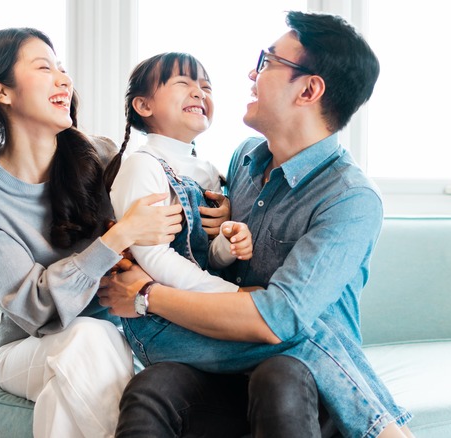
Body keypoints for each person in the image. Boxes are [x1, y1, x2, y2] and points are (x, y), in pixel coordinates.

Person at [99, 11, 414, 438]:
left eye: (267, 62)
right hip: (222, 360)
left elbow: (278, 320)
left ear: (309, 89)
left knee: (281, 374)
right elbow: (206, 251)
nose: (252, 73)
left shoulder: (351, 200)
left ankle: (380, 428)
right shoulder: (243, 160)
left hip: (301, 380)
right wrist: (225, 228)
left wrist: (146, 295)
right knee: (152, 387)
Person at [0, 27, 183, 438]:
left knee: (67, 391)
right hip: (25, 349)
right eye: (45, 68)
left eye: (62, 68)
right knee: (90, 338)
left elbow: (171, 187)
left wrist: (217, 214)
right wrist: (114, 239)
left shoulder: (100, 156)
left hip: (116, 339)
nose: (64, 79)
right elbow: (34, 308)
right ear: (0, 91)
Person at [105, 52, 253, 296]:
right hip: (155, 312)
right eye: (183, 83)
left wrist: (228, 242)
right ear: (144, 105)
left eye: (206, 86)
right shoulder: (142, 166)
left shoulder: (208, 172)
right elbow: (154, 257)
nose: (199, 92)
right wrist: (232, 296)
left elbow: (208, 259)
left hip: (200, 300)